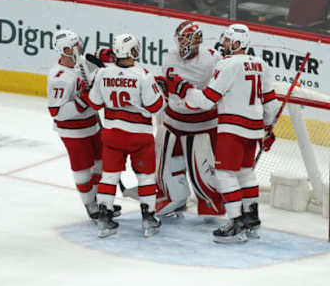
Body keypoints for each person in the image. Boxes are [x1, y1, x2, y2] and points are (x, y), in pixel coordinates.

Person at [167, 24, 278, 243]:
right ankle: (252, 219)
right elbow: (271, 105)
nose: (224, 44)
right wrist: (267, 128)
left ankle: (236, 221)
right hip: (253, 128)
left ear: (238, 43)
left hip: (232, 127)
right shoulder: (261, 65)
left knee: (225, 174)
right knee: (246, 173)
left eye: (227, 40)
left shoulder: (227, 65)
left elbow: (208, 100)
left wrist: (184, 89)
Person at [83, 33, 165, 238]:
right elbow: (156, 106)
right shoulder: (143, 75)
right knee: (146, 177)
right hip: (140, 136)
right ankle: (148, 218)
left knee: (109, 177)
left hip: (112, 136)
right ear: (132, 51)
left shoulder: (103, 74)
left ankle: (104, 219)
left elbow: (94, 104)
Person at [47, 30, 120, 222]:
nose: (80, 46)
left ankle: (99, 200)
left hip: (92, 124)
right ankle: (90, 205)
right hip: (73, 132)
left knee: (101, 163)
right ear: (65, 49)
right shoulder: (59, 77)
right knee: (82, 170)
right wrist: (84, 101)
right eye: (75, 44)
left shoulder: (81, 64)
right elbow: (57, 113)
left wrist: (104, 57)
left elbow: (97, 72)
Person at [156, 20, 225, 218]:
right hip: (173, 121)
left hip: (204, 125)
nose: (182, 44)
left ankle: (211, 203)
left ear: (197, 41)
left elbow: (218, 91)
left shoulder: (212, 59)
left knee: (204, 170)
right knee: (167, 163)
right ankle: (174, 199)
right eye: (180, 39)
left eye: (186, 39)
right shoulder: (169, 56)